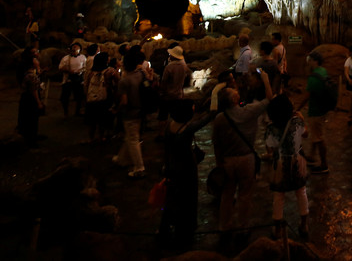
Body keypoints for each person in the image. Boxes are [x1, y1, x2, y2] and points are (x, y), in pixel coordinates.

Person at [213, 70, 274, 237]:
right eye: (235, 92)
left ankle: (224, 225)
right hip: (246, 159)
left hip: (227, 161)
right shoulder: (249, 112)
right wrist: (266, 80)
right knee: (245, 195)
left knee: (227, 194)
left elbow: (216, 144)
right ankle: (243, 225)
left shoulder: (219, 118)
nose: (237, 92)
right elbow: (269, 99)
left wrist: (219, 163)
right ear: (234, 99)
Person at [159, 99, 215, 248]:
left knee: (172, 197)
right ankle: (185, 229)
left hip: (172, 166)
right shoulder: (187, 130)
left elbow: (166, 148)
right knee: (188, 199)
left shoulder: (170, 125)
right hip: (186, 168)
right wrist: (215, 103)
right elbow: (207, 118)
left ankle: (166, 226)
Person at [265, 93, 310, 241]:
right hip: (298, 160)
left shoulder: (271, 128)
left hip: (280, 163)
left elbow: (270, 149)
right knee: (301, 192)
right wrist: (302, 119)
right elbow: (306, 135)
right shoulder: (297, 122)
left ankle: (277, 228)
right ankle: (304, 224)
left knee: (278, 196)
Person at [114, 51, 147, 177]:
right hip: (141, 110)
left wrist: (116, 109)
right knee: (130, 136)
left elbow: (124, 101)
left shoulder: (124, 81)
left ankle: (139, 167)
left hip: (130, 113)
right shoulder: (141, 74)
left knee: (133, 139)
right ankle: (122, 159)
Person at [303, 51, 330, 173]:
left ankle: (324, 164)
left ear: (315, 61)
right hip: (323, 108)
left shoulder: (313, 77)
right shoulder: (323, 71)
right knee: (316, 134)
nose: (308, 62)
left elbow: (307, 95)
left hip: (316, 110)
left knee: (319, 137)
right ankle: (312, 155)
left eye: (310, 59)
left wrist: (297, 108)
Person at [159, 45, 192, 137]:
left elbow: (164, 81)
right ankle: (175, 131)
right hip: (178, 94)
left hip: (168, 95)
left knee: (163, 115)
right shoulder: (183, 65)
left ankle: (162, 133)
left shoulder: (169, 67)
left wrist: (161, 92)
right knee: (176, 115)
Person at [17, 52, 44, 146]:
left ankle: (32, 137)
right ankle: (31, 140)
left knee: (31, 119)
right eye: (35, 60)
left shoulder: (30, 73)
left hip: (27, 98)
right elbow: (34, 90)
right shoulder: (31, 76)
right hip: (30, 99)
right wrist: (38, 102)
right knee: (31, 120)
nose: (38, 61)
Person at [84, 52, 113, 143]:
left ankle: (91, 138)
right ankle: (101, 137)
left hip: (91, 99)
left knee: (91, 121)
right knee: (102, 120)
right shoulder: (110, 72)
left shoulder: (91, 73)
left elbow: (86, 85)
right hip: (103, 100)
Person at [59, 42, 86, 117]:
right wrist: (68, 70)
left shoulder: (83, 57)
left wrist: (80, 71)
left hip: (78, 79)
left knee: (79, 97)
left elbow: (85, 67)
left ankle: (77, 111)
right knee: (64, 97)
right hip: (68, 79)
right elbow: (60, 68)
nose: (74, 48)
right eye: (73, 47)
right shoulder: (66, 58)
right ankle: (65, 112)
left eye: (76, 47)